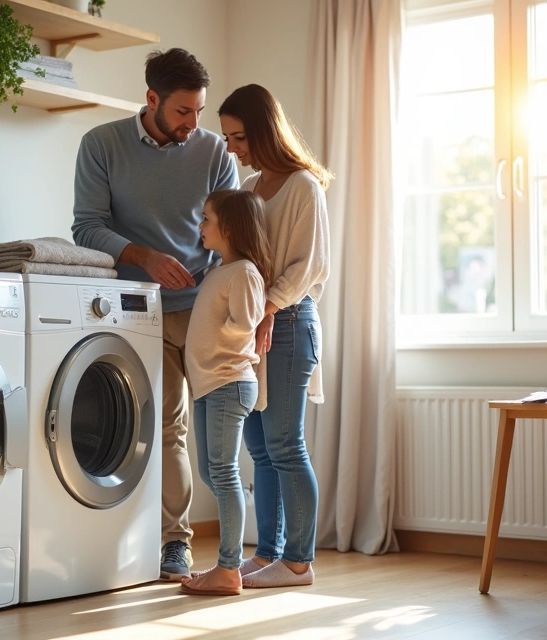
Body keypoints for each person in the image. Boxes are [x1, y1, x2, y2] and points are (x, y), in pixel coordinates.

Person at [72, 48, 240, 580]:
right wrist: (144, 257)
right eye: (183, 112)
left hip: (202, 309)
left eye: (199, 111)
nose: (194, 124)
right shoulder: (101, 145)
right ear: (152, 100)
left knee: (220, 433)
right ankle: (175, 543)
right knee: (167, 427)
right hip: (136, 309)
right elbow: (86, 227)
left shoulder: (215, 153)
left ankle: (249, 550)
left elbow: (232, 234)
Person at [217, 84, 332, 588]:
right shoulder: (249, 188)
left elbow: (310, 267)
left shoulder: (303, 186)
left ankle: (300, 562)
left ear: (264, 131)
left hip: (286, 325)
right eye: (227, 137)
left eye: (238, 136)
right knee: (260, 451)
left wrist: (265, 309)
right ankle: (267, 554)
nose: (232, 148)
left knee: (286, 446)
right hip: (256, 327)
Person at [178, 190, 271, 596]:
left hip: (228, 382)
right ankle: (238, 505)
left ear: (229, 228)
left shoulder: (245, 272)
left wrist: (213, 338)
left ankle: (229, 568)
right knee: (211, 472)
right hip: (210, 385)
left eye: (207, 219)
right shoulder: (219, 271)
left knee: (223, 472)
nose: (201, 226)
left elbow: (244, 323)